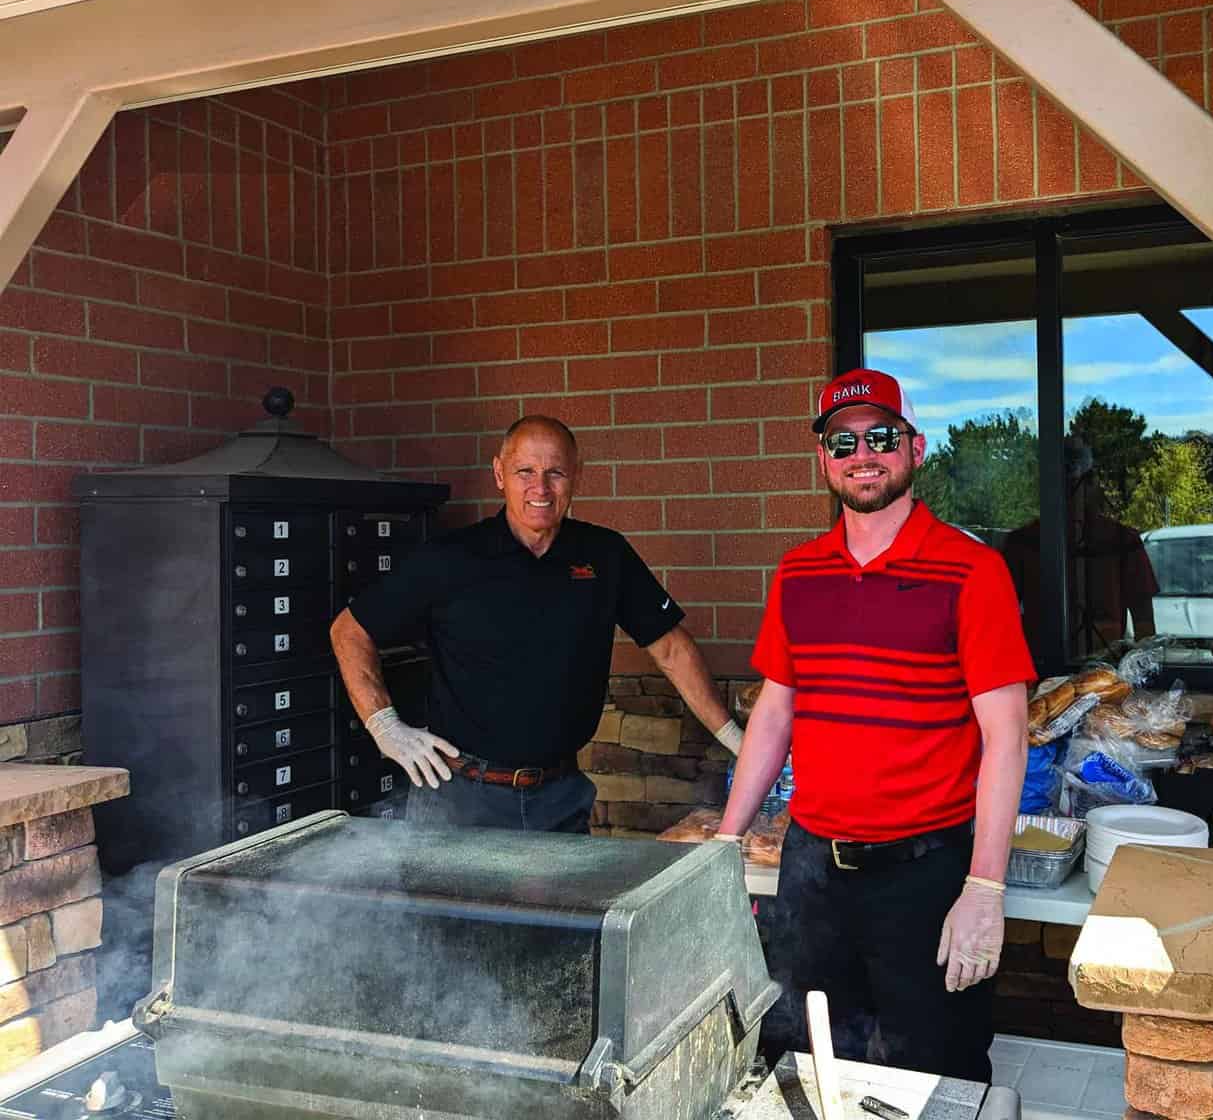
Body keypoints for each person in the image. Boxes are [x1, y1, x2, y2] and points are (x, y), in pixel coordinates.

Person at [718, 368, 1034, 1084]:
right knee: (803, 1060)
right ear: (823, 460)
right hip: (810, 871)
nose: (862, 453)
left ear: (916, 449)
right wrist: (726, 841)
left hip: (924, 875)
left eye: (881, 436)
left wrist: (985, 889)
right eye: (842, 441)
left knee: (934, 1071)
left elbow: (1006, 736)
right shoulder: (798, 574)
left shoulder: (972, 571)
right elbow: (775, 711)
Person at [330, 414, 743, 833]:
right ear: (499, 474)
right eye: (524, 471)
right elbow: (349, 630)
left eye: (555, 473)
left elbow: (671, 649)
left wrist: (734, 738)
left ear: (576, 477)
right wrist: (384, 726)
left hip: (560, 798)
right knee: (450, 903)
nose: (540, 488)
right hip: (458, 799)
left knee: (569, 903)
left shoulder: (604, 554)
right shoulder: (450, 558)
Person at [1002, 440, 1157, 665]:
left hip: (1105, 674)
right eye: (1063, 486)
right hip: (1040, 676)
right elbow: (1001, 620)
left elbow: (1145, 628)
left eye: (1073, 485)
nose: (1069, 496)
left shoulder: (1123, 542)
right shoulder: (1022, 543)